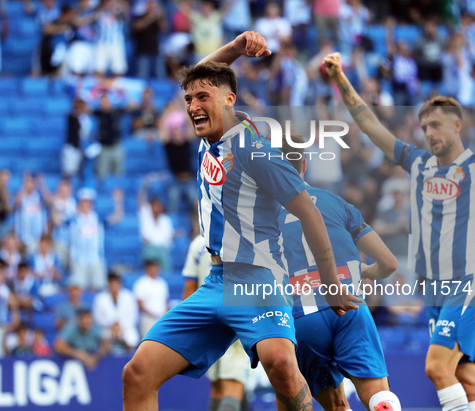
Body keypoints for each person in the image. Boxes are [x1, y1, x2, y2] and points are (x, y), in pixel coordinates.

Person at [121, 32, 360, 411]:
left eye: (202, 98)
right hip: (215, 281)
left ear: (229, 100)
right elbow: (202, 77)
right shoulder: (209, 140)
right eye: (188, 100)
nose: (193, 106)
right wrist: (234, 48)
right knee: (137, 373)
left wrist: (331, 284)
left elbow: (310, 213)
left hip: (258, 279)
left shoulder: (256, 151)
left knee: (281, 365)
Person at [323, 51, 475, 411]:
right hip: (434, 290)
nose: (429, 132)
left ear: (457, 125)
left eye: (436, 125)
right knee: (466, 376)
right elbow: (369, 125)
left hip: (469, 282)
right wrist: (340, 78)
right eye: (425, 126)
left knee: (435, 367)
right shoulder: (418, 163)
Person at [279, 135, 402, 411]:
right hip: (349, 306)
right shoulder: (336, 203)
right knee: (379, 397)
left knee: (336, 405)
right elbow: (390, 263)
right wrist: (366, 271)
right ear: (305, 164)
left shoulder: (262, 216)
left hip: (302, 318)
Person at [182, 231, 249, 411]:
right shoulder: (243, 239)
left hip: (208, 326)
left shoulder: (197, 244)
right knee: (233, 386)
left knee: (217, 387)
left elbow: (189, 291)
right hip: (236, 322)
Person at [93, 271, 140, 350]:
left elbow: (133, 316)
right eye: (112, 283)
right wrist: (111, 325)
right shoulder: (100, 298)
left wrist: (120, 326)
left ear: (120, 283)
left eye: (116, 283)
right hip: (107, 328)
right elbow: (98, 318)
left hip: (125, 327)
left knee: (131, 339)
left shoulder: (129, 296)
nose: (114, 286)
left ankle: (129, 357)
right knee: (103, 339)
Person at [133, 259, 168, 336]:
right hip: (148, 318)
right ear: (147, 269)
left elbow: (165, 301)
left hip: (161, 318)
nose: (154, 270)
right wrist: (153, 314)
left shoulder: (162, 283)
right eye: (152, 267)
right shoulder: (141, 283)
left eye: (156, 267)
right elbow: (140, 304)